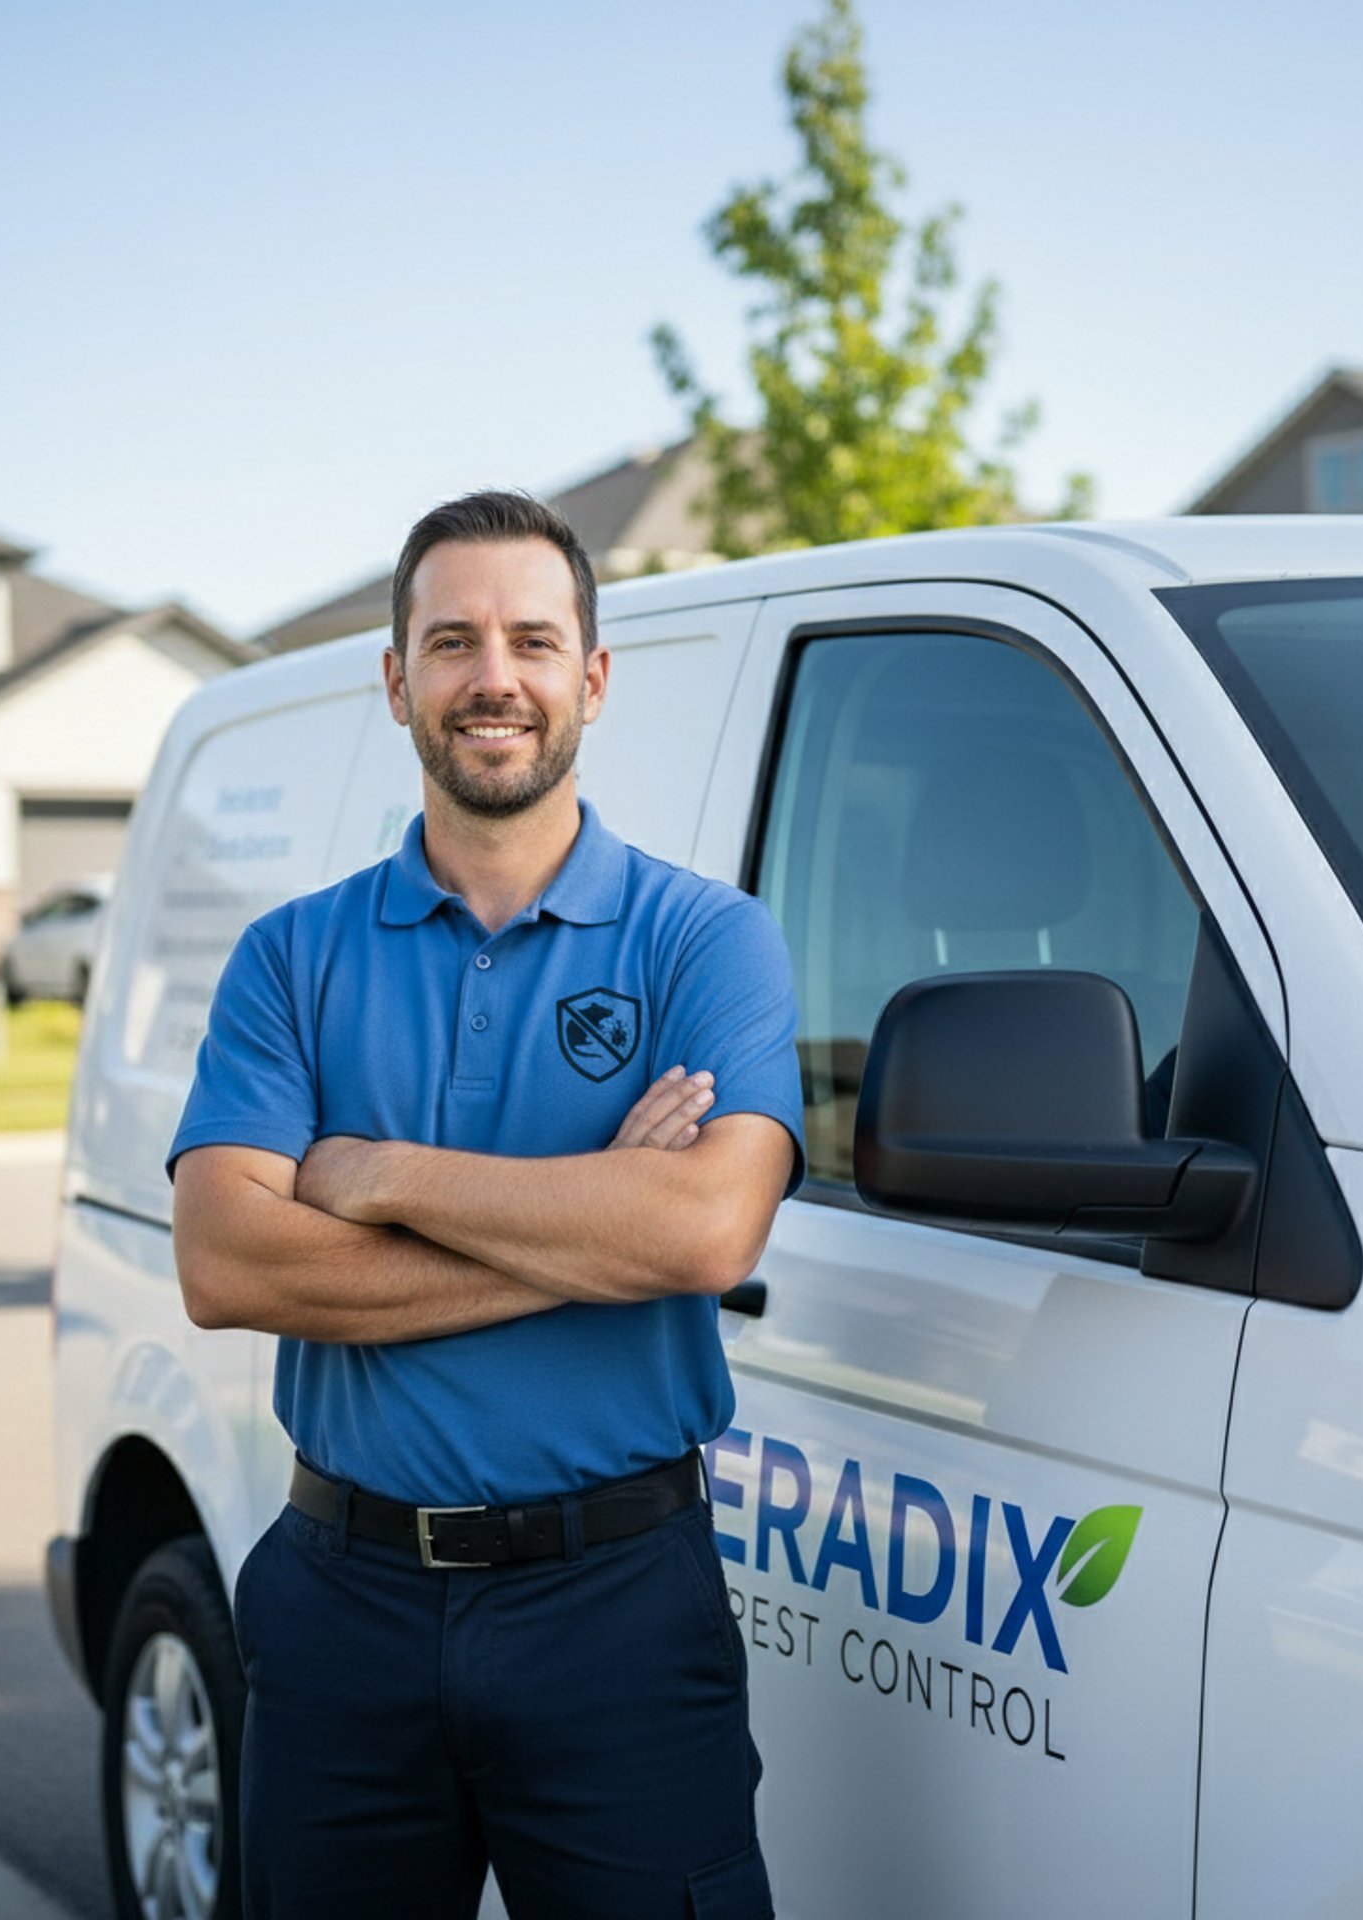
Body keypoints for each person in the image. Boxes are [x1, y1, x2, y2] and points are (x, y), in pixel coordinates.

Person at [167, 490, 804, 1920]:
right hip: (344, 1606)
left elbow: (706, 1232)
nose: (492, 677)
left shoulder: (705, 938)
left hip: (619, 1609)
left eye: (532, 638)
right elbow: (225, 1262)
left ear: (591, 676)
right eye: (451, 641)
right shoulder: (292, 957)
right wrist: (598, 1226)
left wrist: (377, 1176)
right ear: (396, 681)